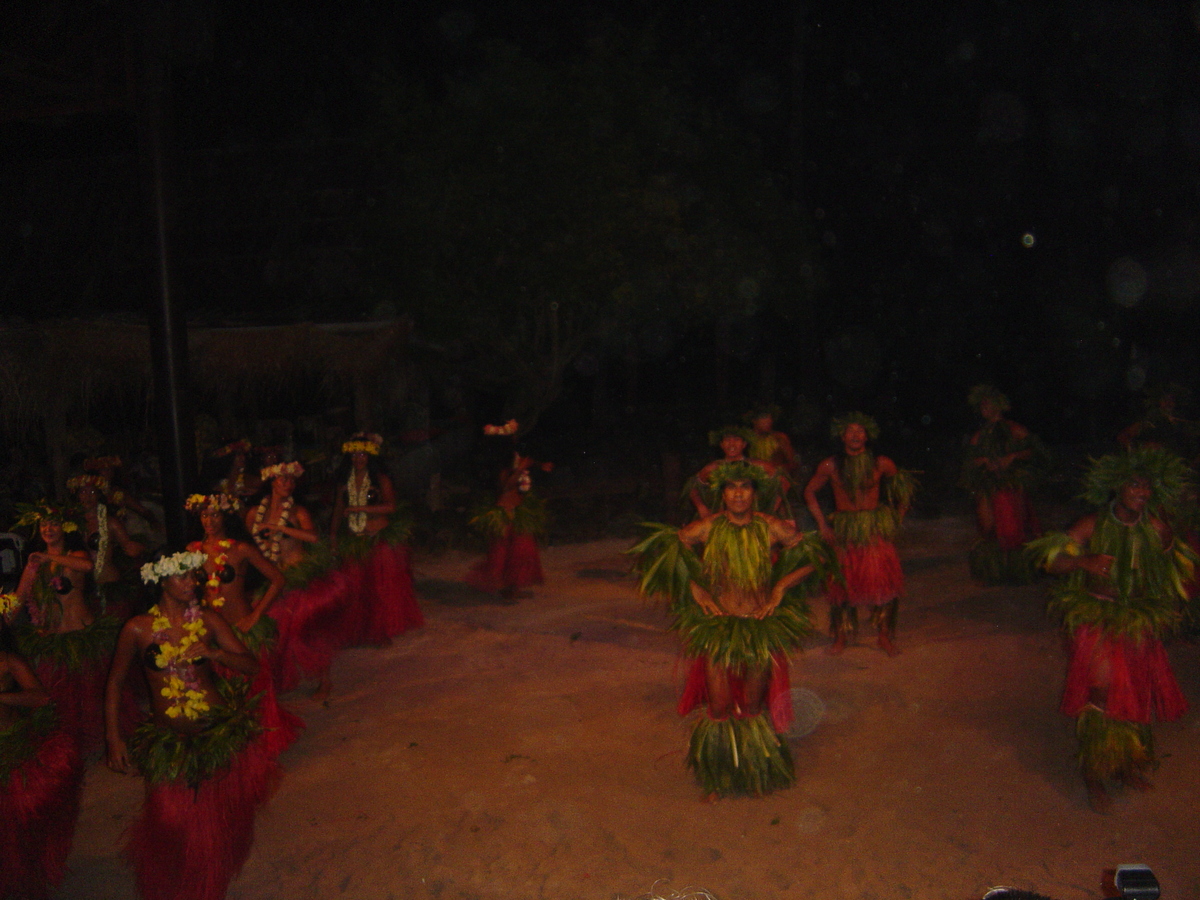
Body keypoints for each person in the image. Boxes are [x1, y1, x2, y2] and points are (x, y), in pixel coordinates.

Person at [631, 461, 828, 797]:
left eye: (745, 487)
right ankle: (718, 778)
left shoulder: (770, 527)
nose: (738, 493)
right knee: (719, 706)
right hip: (719, 627)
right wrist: (695, 587)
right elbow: (667, 552)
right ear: (722, 493)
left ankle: (754, 773)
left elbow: (816, 556)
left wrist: (780, 587)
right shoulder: (707, 527)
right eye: (731, 487)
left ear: (754, 493)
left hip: (757, 627)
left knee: (752, 707)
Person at [105, 550, 282, 900]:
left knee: (214, 825)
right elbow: (115, 682)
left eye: (193, 576)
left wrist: (215, 654)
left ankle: (208, 883)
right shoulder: (137, 629)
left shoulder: (208, 621)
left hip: (214, 735)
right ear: (161, 580)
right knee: (170, 822)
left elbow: (251, 666)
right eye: (182, 576)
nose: (191, 583)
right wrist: (113, 738)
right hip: (168, 740)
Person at [1029, 448, 1193, 813]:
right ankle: (1093, 774)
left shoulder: (1156, 527)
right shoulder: (1092, 524)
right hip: (1097, 616)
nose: (1143, 492)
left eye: (1148, 487)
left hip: (1135, 618)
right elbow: (1051, 561)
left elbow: (1173, 571)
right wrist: (1083, 560)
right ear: (1117, 485)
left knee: (1134, 692)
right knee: (1102, 691)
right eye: (1135, 485)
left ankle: (1126, 764)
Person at [804, 413, 916, 656]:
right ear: (842, 436)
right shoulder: (830, 465)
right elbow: (809, 492)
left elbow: (903, 493)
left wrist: (896, 520)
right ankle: (841, 637)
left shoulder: (881, 463)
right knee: (842, 584)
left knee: (884, 583)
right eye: (850, 431)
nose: (855, 435)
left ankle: (884, 636)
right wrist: (823, 525)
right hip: (845, 529)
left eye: (860, 431)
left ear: (868, 435)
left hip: (874, 527)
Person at [11, 501, 118, 752]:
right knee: (57, 702)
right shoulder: (34, 564)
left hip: (80, 637)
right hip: (50, 640)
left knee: (89, 699)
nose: (48, 528)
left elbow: (88, 566)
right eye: (44, 524)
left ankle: (96, 744)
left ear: (65, 528)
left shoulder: (75, 556)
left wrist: (46, 556)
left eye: (54, 523)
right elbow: (17, 600)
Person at [0, 613, 86, 900]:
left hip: (10, 753)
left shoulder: (8, 661)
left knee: (17, 836)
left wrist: (2, 697)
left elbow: (41, 698)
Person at [251, 462, 353, 699]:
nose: (288, 484)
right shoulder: (258, 512)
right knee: (275, 635)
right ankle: (276, 681)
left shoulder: (298, 512)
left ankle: (325, 681)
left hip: (301, 579)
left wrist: (280, 528)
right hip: (277, 580)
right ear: (272, 482)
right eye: (282, 479)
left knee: (310, 632)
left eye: (291, 480)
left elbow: (313, 537)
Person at [330, 433, 422, 644]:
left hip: (377, 538)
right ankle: (360, 631)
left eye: (362, 454)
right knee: (356, 590)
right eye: (354, 455)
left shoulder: (380, 479)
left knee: (380, 589)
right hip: (355, 539)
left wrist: (359, 508)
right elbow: (338, 510)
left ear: (370, 456)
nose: (358, 459)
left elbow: (390, 507)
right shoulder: (344, 482)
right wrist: (334, 536)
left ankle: (381, 630)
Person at [961, 385, 1046, 584]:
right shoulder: (980, 435)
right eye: (981, 406)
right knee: (988, 527)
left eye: (987, 404)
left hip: (1009, 486)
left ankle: (1019, 570)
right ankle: (995, 571)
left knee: (1012, 528)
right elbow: (969, 461)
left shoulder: (1014, 429)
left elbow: (1036, 452)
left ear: (998, 405)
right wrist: (983, 461)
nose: (984, 409)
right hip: (988, 487)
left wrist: (1013, 457)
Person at [467, 443, 552, 600]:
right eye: (516, 459)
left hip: (517, 514)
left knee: (520, 554)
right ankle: (509, 589)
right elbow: (506, 488)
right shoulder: (504, 473)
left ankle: (513, 589)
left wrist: (541, 465)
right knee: (507, 555)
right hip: (507, 517)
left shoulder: (515, 468)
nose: (520, 460)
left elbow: (530, 461)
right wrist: (520, 469)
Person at [69, 472, 147, 617]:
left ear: (99, 495)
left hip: (109, 584)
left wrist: (145, 549)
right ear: (77, 495)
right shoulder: (69, 524)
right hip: (83, 589)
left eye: (92, 491)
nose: (88, 496)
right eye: (83, 492)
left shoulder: (110, 522)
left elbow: (129, 547)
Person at [688, 426, 781, 520]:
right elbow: (692, 487)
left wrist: (772, 508)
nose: (732, 444)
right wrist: (701, 507)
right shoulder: (713, 468)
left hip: (753, 519)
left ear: (744, 444)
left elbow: (784, 482)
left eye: (736, 440)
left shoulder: (759, 465)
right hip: (720, 520)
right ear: (721, 444)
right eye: (727, 440)